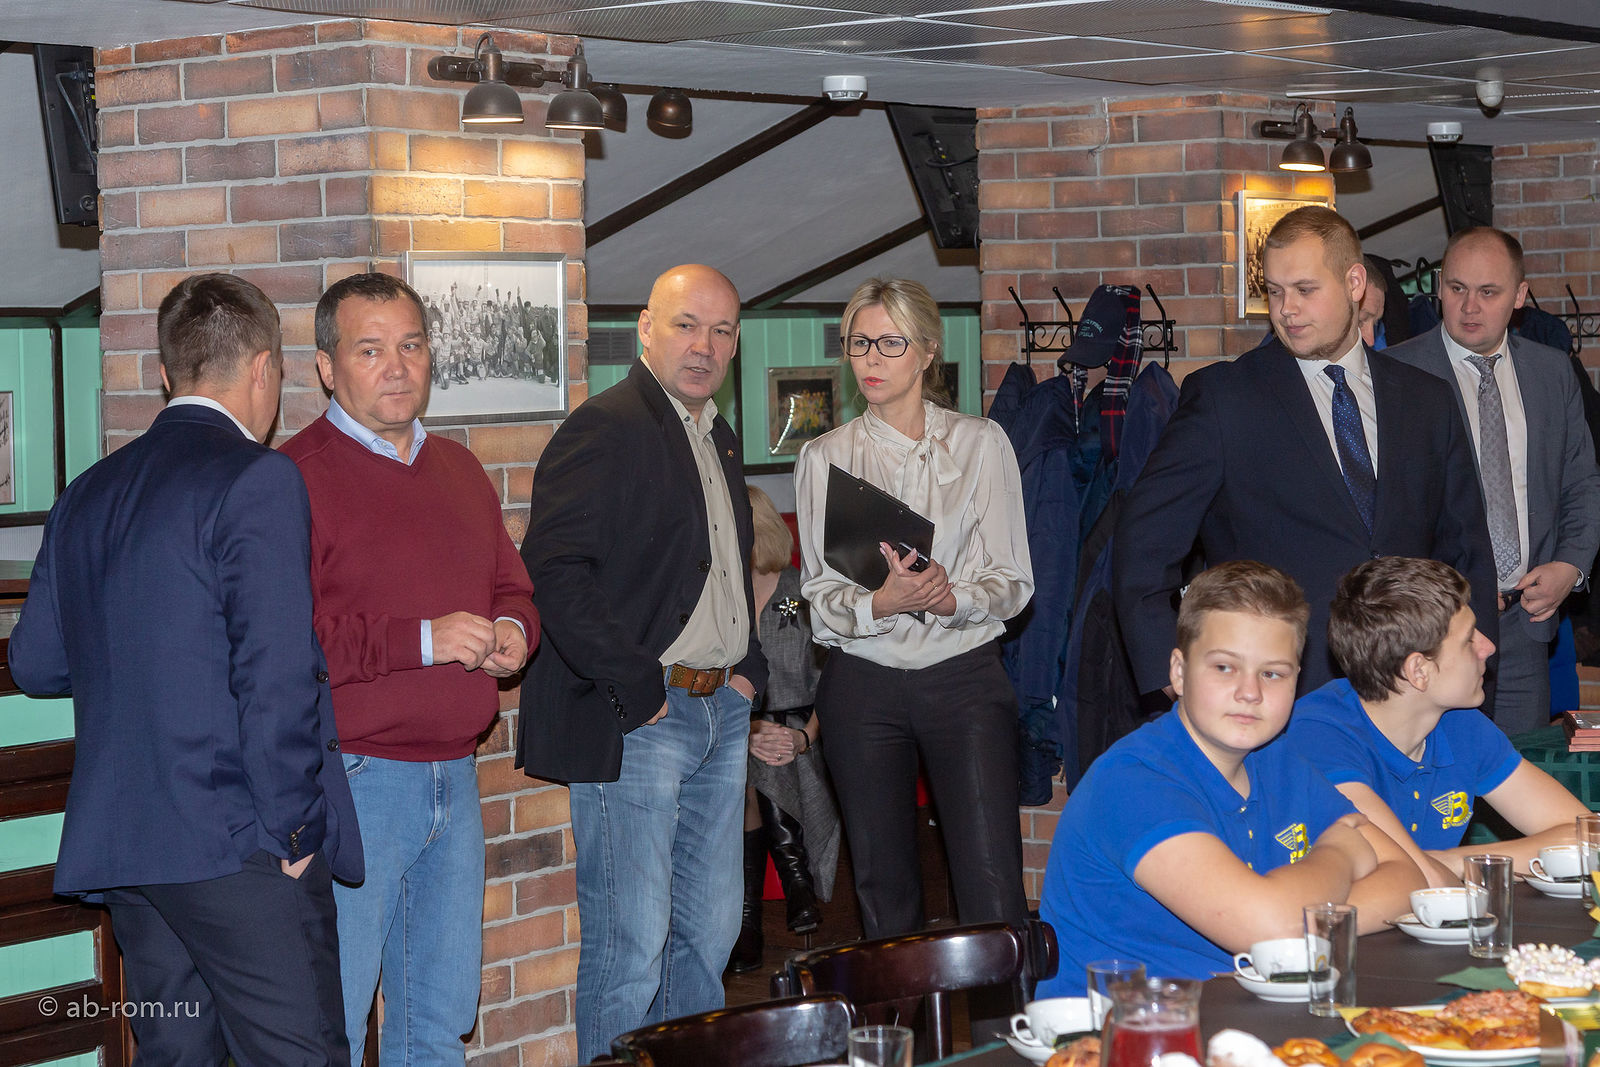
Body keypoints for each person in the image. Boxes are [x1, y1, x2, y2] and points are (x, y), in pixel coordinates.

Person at [8, 273, 361, 1064]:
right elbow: (276, 677)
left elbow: (34, 661)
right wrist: (297, 831)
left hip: (131, 852)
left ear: (168, 372)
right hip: (241, 847)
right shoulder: (258, 477)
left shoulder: (85, 492)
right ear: (265, 369)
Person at [282, 272, 538, 1065]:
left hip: (455, 776)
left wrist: (512, 630)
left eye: (411, 345)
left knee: (438, 1018)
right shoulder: (291, 476)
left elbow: (513, 587)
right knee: (332, 1020)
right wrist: (422, 640)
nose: (397, 367)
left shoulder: (459, 467)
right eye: (370, 350)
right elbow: (286, 642)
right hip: (354, 783)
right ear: (327, 367)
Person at [517, 264, 768, 1062]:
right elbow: (553, 569)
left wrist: (750, 668)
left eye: (721, 331)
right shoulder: (605, 425)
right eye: (687, 325)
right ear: (646, 331)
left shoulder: (717, 433)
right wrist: (636, 685)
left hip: (721, 709)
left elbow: (725, 565)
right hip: (643, 719)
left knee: (710, 933)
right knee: (630, 942)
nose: (704, 346)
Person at [1115, 205, 1496, 700]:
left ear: (1354, 282)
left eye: (1305, 290)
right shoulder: (1225, 398)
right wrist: (1171, 672)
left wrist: (1472, 671)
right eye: (1274, 292)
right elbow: (1145, 543)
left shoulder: (1426, 398)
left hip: (1413, 691)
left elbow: (1466, 551)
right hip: (1277, 694)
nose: (1286, 310)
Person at [1037, 561, 1423, 995]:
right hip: (1129, 1026)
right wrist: (1341, 851)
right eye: (1224, 667)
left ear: (1297, 680)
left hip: (1253, 1013)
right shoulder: (1132, 781)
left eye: (1272, 673)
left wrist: (1294, 917)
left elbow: (1406, 881)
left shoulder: (1278, 759)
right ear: (1179, 672)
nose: (1250, 692)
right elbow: (1270, 930)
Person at [794, 276, 1034, 939]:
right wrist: (880, 601)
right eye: (859, 342)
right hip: (862, 684)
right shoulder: (823, 457)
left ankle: (1003, 1009)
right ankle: (895, 1012)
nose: (870, 358)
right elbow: (819, 595)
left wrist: (954, 598)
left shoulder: (982, 443)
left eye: (890, 343)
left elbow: (1014, 580)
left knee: (991, 881)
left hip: (963, 677)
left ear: (928, 351)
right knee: (882, 887)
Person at [1387, 227, 1600, 734]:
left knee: (1517, 775)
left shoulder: (1552, 372)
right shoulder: (1394, 372)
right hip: (1428, 636)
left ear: (1520, 296)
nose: (1469, 306)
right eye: (1457, 288)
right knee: (1431, 778)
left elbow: (1581, 483)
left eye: (1488, 291)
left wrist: (1570, 564)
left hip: (1525, 628)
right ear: (1439, 287)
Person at [1286, 557, 1588, 884]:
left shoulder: (1459, 723)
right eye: (1469, 639)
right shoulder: (1318, 732)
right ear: (1418, 671)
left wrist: (1451, 861)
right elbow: (1409, 875)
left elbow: (1587, 837)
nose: (1488, 647)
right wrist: (1437, 866)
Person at [728, 485, 840, 974]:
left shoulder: (800, 592)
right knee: (752, 761)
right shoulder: (723, 595)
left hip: (808, 730)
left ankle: (749, 922)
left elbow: (834, 679)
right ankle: (797, 886)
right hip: (741, 728)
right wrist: (752, 727)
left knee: (764, 761)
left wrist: (804, 736)